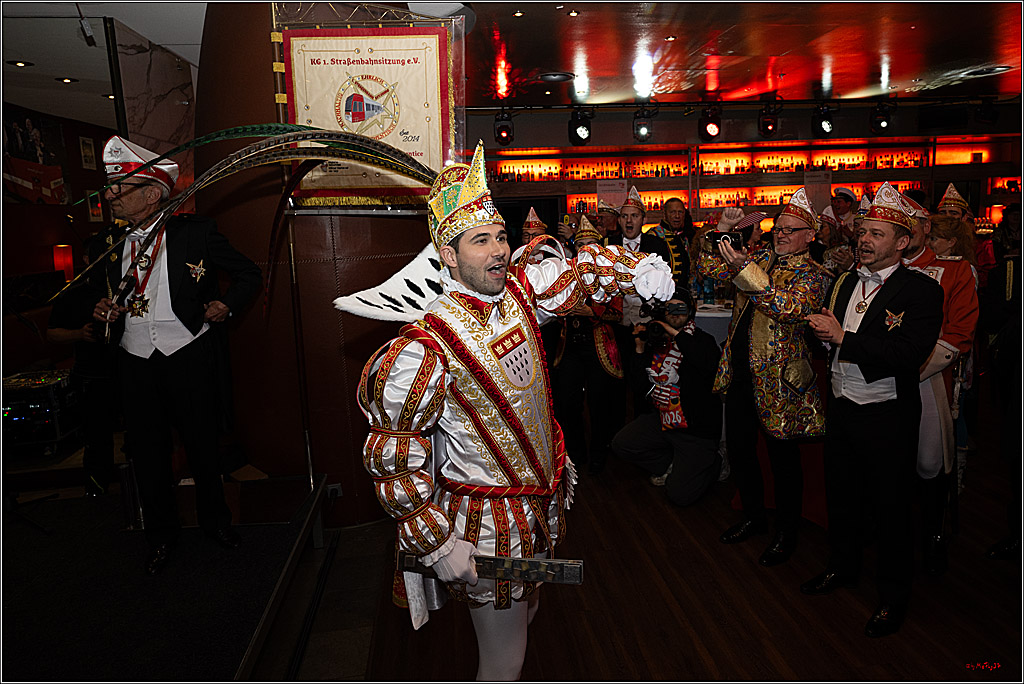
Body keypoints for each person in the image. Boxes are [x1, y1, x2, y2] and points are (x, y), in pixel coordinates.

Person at [353, 142, 672, 681]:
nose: (500, 250)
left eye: (501, 236)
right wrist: (436, 539)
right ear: (447, 255)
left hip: (541, 501)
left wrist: (634, 270)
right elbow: (393, 458)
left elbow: (576, 272)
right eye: (482, 241)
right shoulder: (423, 347)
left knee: (531, 612)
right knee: (504, 662)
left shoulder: (519, 293)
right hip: (485, 526)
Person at [91, 135, 262, 576]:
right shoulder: (108, 244)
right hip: (134, 359)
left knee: (203, 446)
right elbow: (110, 297)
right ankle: (160, 536)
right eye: (110, 187)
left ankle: (216, 523)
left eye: (120, 188)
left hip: (187, 352)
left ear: (152, 194)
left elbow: (248, 273)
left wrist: (227, 303)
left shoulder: (195, 232)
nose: (110, 196)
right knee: (147, 453)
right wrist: (105, 309)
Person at [802, 181, 944, 638]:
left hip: (887, 416)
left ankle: (892, 596)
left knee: (891, 508)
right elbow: (825, 337)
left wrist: (842, 338)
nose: (864, 239)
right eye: (863, 232)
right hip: (842, 408)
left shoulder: (921, 291)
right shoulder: (845, 281)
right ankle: (842, 568)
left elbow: (906, 355)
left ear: (902, 242)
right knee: (843, 497)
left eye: (876, 234)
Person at [697, 189, 830, 567]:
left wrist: (745, 269)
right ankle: (753, 517)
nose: (781, 234)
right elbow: (708, 271)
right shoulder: (761, 257)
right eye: (778, 228)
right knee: (740, 450)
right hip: (740, 371)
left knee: (782, 459)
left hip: (780, 380)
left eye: (791, 230)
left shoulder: (815, 275)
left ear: (811, 235)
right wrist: (720, 230)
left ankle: (787, 532)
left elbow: (786, 308)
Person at [900, 197, 979, 576]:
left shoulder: (953, 270)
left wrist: (907, 371)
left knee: (930, 461)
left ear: (925, 228)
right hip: (878, 383)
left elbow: (959, 332)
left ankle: (932, 536)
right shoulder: (872, 270)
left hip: (926, 379)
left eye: (909, 223)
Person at [611, 285, 723, 506]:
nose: (675, 313)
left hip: (695, 429)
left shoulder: (703, 340)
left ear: (690, 311)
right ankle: (671, 463)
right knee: (622, 444)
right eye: (669, 309)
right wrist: (640, 348)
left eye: (681, 308)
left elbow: (707, 364)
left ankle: (714, 462)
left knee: (679, 495)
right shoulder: (658, 342)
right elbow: (640, 387)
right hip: (664, 419)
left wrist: (674, 334)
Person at [551, 217, 625, 476]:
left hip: (598, 346)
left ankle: (598, 456)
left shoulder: (609, 276)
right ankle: (576, 452)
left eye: (590, 244)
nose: (585, 249)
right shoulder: (565, 272)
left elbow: (618, 314)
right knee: (568, 402)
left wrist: (591, 310)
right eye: (580, 244)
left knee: (598, 404)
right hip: (570, 345)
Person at [47, 235, 118, 496]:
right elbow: (51, 333)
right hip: (92, 375)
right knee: (97, 437)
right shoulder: (72, 295)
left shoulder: (124, 288)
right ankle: (97, 490)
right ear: (87, 260)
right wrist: (80, 334)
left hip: (128, 371)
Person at [607, 186, 673, 416]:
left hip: (648, 328)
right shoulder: (609, 246)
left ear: (643, 219)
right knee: (615, 385)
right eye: (624, 216)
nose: (628, 221)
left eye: (634, 216)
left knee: (645, 384)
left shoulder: (657, 246)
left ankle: (645, 430)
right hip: (617, 327)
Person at [650, 196, 694, 287]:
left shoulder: (683, 238)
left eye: (680, 212)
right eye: (673, 212)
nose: (677, 216)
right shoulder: (653, 235)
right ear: (665, 214)